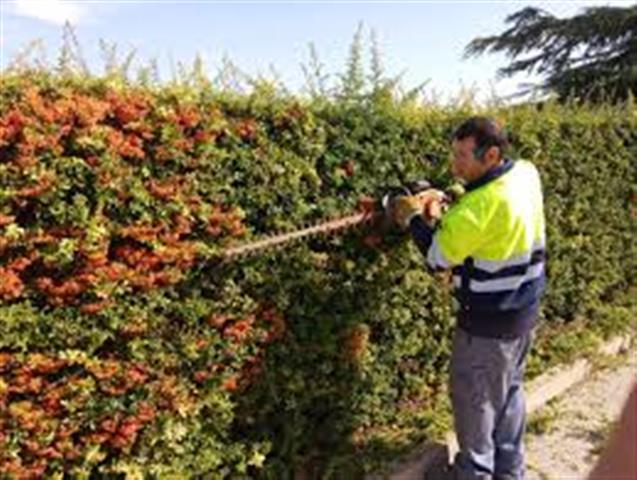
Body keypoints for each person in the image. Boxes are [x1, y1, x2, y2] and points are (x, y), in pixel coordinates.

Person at [393, 117, 546, 480]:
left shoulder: (477, 209)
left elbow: (438, 256)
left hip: (485, 331)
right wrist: (447, 195)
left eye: (462, 156)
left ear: (491, 154)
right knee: (508, 400)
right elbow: (482, 197)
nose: (454, 164)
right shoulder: (525, 173)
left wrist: (412, 216)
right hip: (523, 317)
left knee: (476, 414)